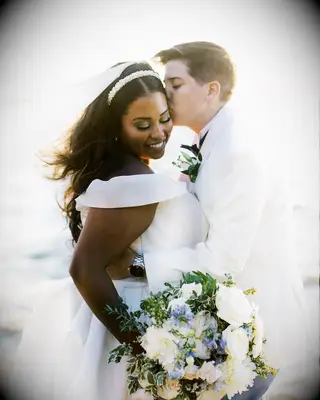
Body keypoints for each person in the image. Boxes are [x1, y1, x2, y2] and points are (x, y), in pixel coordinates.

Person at [12, 61, 208, 400]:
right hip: (131, 340)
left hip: (120, 329)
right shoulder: (134, 184)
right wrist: (147, 352)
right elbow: (84, 269)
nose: (159, 132)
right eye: (142, 125)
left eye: (164, 118)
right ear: (115, 127)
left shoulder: (121, 171)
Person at [126, 42, 311, 399]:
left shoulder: (236, 152)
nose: (164, 93)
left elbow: (222, 260)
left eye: (175, 84)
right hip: (229, 328)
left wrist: (137, 266)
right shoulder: (213, 140)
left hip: (256, 337)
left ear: (211, 89)